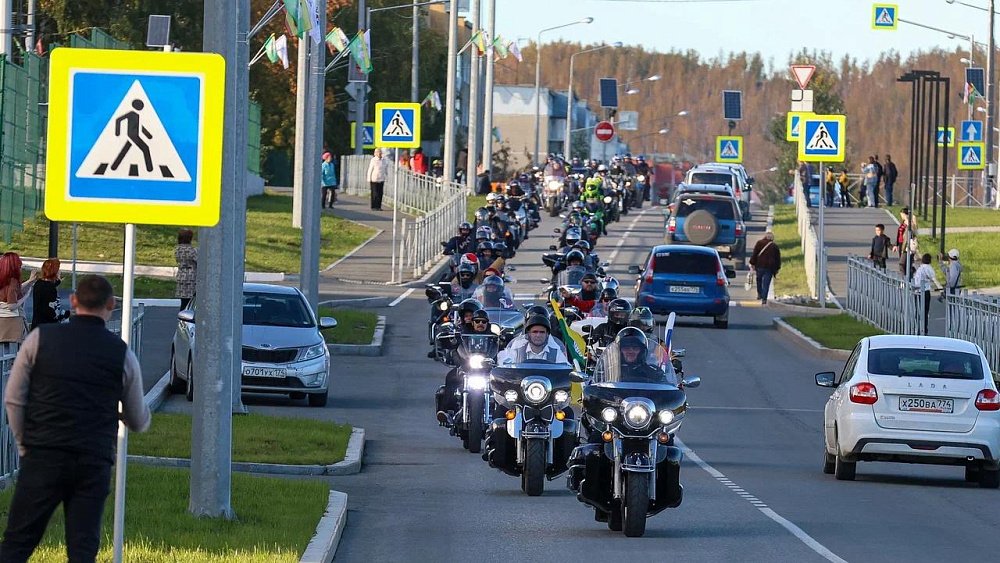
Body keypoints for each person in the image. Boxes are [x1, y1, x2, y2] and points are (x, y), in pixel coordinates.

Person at [0, 274, 151, 561]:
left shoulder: (39, 340)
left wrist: (25, 443)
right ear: (110, 304)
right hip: (92, 460)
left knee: (18, 542)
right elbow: (137, 418)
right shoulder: (121, 354)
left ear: (73, 301)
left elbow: (13, 398)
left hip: (42, 454)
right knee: (83, 547)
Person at [0, 253, 37, 349]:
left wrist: (29, 281)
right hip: (11, 321)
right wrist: (26, 296)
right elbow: (11, 305)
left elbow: (12, 290)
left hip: (1, 319)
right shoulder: (13, 281)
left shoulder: (3, 280)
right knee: (15, 353)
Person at [497, 315, 568, 364]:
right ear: (528, 334)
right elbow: (502, 363)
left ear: (547, 335)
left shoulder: (556, 352)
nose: (538, 335)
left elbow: (566, 369)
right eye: (535, 332)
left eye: (542, 332)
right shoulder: (516, 351)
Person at [29, 259, 69, 331]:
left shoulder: (39, 283)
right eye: (58, 270)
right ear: (54, 272)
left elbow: (46, 288)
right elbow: (49, 311)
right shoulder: (50, 289)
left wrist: (58, 281)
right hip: (46, 328)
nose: (59, 271)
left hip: (37, 324)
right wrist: (62, 316)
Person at [749, 231, 781, 305]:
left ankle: (759, 294)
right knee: (766, 283)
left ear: (765, 237)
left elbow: (755, 254)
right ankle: (764, 299)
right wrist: (777, 268)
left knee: (759, 280)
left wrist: (752, 263)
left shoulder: (759, 243)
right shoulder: (774, 246)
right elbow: (778, 259)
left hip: (760, 266)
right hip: (769, 268)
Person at [912, 253, 938, 335]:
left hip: (917, 291)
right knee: (925, 311)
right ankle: (924, 329)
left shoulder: (920, 268)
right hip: (925, 291)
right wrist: (940, 287)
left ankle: (917, 328)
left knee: (918, 310)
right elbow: (933, 278)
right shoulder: (928, 268)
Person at [174, 229, 198, 310]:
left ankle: (181, 317)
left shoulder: (178, 249)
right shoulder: (192, 250)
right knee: (190, 300)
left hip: (181, 274)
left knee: (183, 301)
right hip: (191, 276)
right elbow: (198, 261)